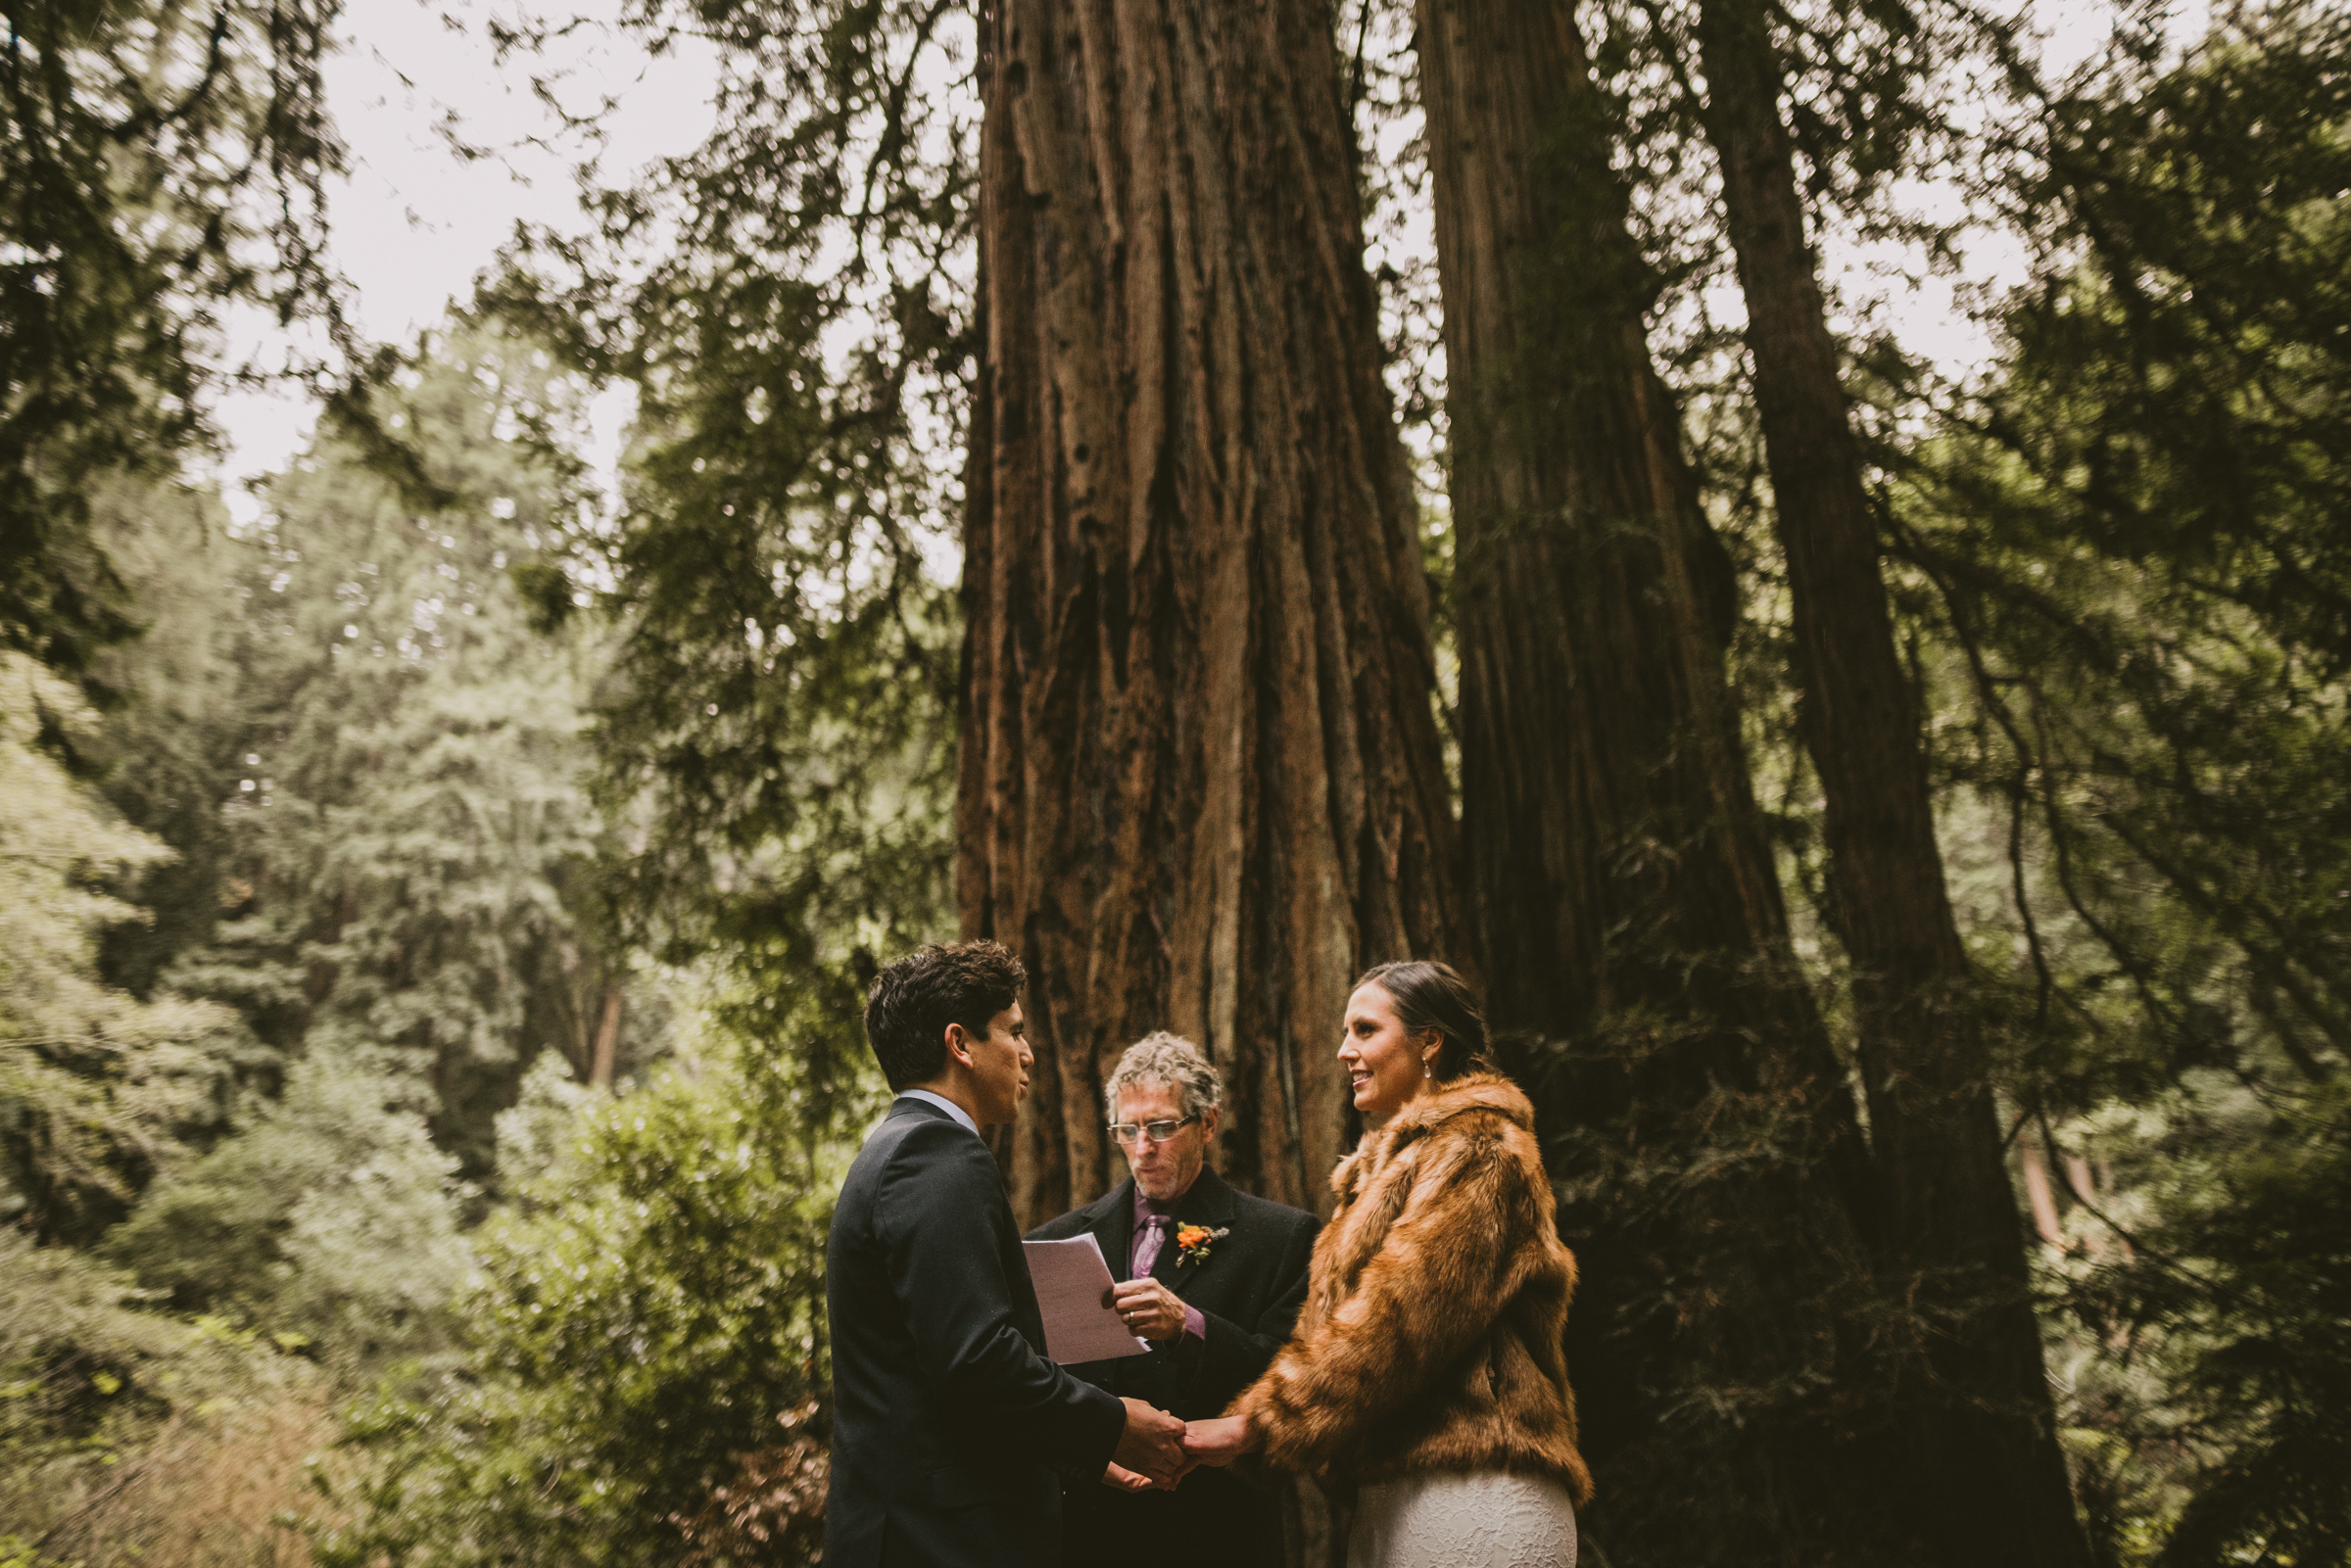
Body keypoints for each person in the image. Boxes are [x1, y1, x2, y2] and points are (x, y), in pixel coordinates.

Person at [1181, 960, 1593, 1568]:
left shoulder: (1480, 1147)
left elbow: (1400, 1318)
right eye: (1346, 1033)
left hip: (1478, 1487)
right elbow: (1325, 1336)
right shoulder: (1379, 1177)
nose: (1345, 1051)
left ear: (1431, 1041)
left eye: (1366, 1030)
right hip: (1392, 1502)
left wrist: (1256, 1427)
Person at [824, 940, 1189, 1568]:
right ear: (960, 1045)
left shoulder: (895, 1147)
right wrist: (1113, 1423)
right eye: (1013, 1032)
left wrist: (1073, 1453)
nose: (1027, 1054)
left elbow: (937, 1376)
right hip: (939, 1539)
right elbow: (977, 1359)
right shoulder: (936, 1153)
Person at [1027, 1033, 1320, 1568]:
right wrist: (1087, 1459)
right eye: (1128, 1129)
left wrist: (1189, 1325)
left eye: (1161, 1127)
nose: (1143, 1148)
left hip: (1215, 1531)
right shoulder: (1057, 1239)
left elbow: (1291, 1381)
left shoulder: (1282, 1237)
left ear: (1207, 1123)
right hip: (1088, 1529)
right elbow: (1033, 1380)